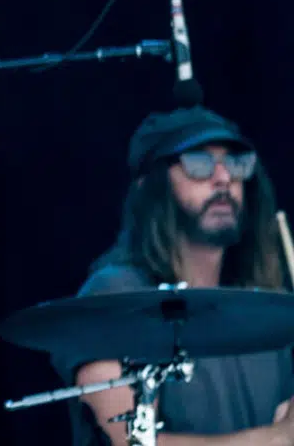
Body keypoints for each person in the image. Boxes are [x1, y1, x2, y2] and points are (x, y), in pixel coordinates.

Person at [54, 106, 294, 446]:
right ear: (151, 184)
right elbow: (136, 442)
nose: (223, 178)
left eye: (236, 162)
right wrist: (274, 440)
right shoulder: (114, 298)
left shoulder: (264, 307)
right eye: (199, 163)